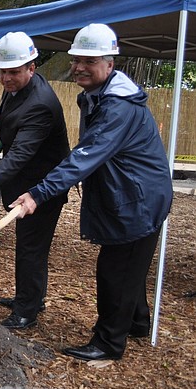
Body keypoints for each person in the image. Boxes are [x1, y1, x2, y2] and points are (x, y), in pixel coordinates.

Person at [12, 23, 172, 361]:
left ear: (110, 64)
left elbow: (86, 155)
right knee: (130, 264)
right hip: (132, 193)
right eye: (76, 60)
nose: (80, 67)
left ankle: (108, 343)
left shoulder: (118, 106)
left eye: (90, 60)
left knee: (116, 269)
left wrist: (37, 194)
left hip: (139, 197)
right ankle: (137, 323)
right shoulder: (97, 96)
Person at [0, 32, 69, 329]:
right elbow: (11, 120)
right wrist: (6, 132)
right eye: (2, 72)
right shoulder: (20, 86)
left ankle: (27, 310)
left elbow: (20, 156)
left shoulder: (41, 104)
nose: (6, 78)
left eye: (13, 72)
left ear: (31, 68)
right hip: (24, 177)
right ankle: (30, 296)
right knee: (28, 243)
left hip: (43, 185)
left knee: (31, 247)